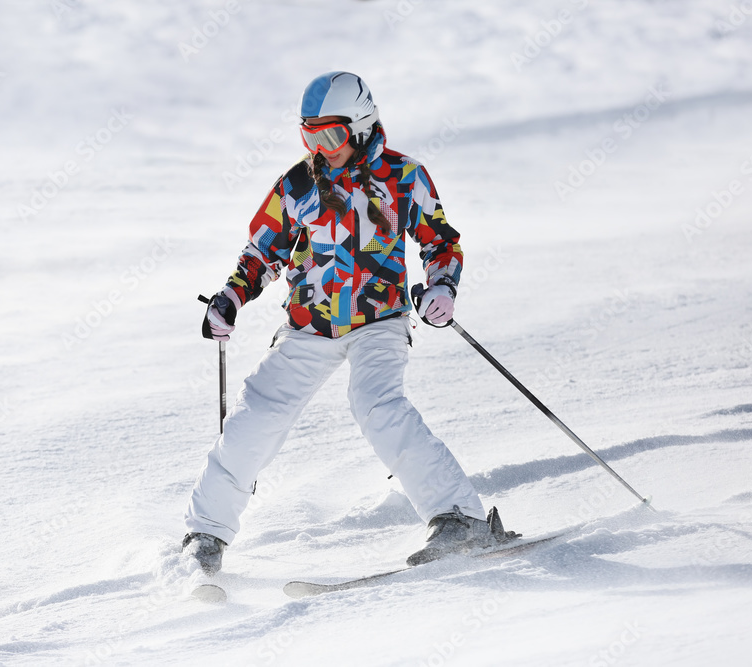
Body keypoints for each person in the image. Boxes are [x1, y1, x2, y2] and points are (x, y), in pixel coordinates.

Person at [183, 71, 513, 576]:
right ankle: (204, 535)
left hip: (379, 319)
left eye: (330, 136)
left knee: (376, 403)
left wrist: (442, 287)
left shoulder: (404, 177)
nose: (319, 147)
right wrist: (231, 296)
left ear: (360, 128)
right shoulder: (297, 183)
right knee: (259, 413)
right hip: (308, 323)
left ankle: (460, 518)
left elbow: (440, 242)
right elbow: (261, 252)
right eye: (308, 135)